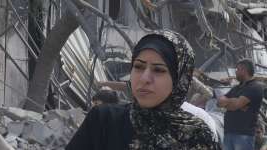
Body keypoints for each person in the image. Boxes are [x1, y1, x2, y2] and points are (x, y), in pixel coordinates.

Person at [66, 30, 220, 149]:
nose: (144, 78)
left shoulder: (198, 136)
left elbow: (207, 92)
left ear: (179, 79)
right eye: (138, 67)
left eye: (158, 70)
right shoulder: (103, 121)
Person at [217, 59, 264, 150]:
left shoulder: (255, 87)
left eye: (237, 70)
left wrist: (229, 103)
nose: (236, 72)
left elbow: (236, 105)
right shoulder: (236, 88)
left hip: (243, 135)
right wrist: (234, 102)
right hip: (228, 133)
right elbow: (219, 102)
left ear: (244, 70)